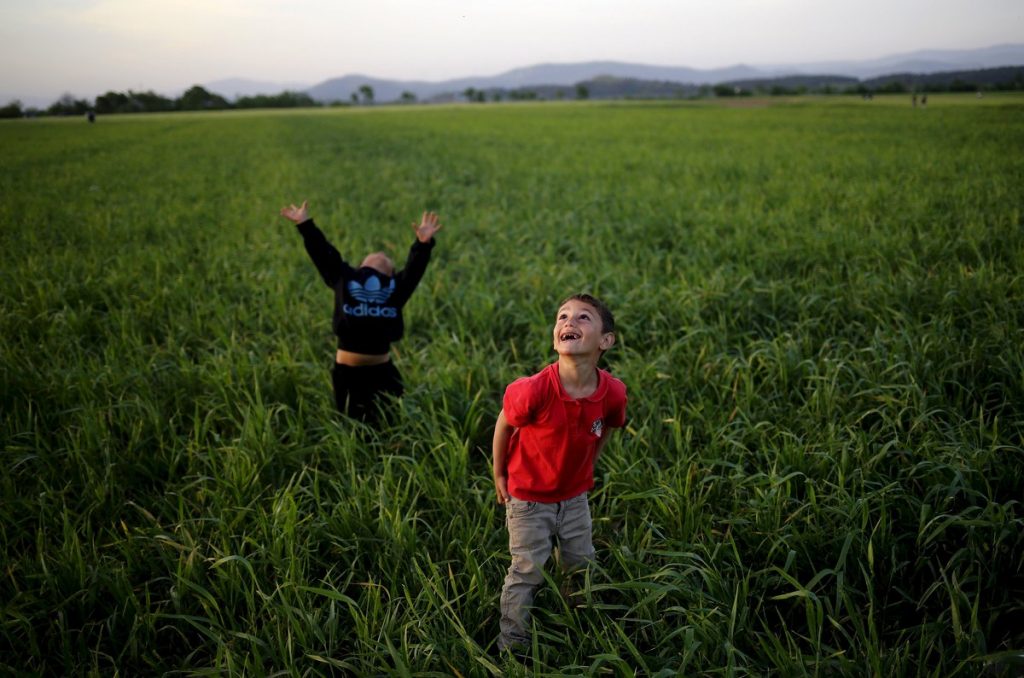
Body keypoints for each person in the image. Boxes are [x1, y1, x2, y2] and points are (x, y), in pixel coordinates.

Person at [491, 293, 628, 653]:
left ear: (605, 341)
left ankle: (578, 624)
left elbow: (609, 425)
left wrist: (590, 465)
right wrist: (499, 474)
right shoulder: (534, 389)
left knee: (581, 564)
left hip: (575, 496)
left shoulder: (612, 392)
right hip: (529, 499)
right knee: (526, 571)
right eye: (562, 316)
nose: (569, 322)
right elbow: (504, 424)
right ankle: (512, 644)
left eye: (583, 318)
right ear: (556, 335)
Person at [279, 200, 442, 421]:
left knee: (393, 423)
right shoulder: (344, 278)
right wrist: (305, 224)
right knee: (351, 425)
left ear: (391, 273)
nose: (381, 254)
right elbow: (323, 253)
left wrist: (423, 244)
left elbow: (414, 270)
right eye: (377, 255)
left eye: (387, 259)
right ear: (361, 266)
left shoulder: (395, 288)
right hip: (347, 374)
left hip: (382, 373)